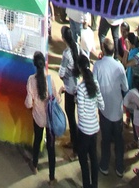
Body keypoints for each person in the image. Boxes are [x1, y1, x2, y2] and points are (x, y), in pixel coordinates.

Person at [93, 36, 126, 178]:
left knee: (105, 139)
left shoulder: (98, 66)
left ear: (103, 49)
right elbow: (125, 87)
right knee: (119, 140)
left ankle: (105, 165)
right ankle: (119, 167)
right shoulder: (119, 67)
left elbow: (94, 87)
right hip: (117, 111)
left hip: (104, 110)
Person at [25, 50, 57, 183]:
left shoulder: (31, 80)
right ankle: (52, 177)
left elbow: (28, 103)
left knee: (37, 141)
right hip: (50, 119)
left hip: (38, 118)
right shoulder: (50, 80)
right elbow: (57, 99)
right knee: (51, 147)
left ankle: (35, 165)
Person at [73, 54, 100, 188]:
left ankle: (86, 185)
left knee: (84, 161)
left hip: (84, 130)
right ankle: (94, 185)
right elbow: (102, 105)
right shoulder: (95, 84)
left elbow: (81, 114)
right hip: (94, 128)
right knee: (93, 158)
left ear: (79, 68)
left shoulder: (80, 88)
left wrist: (77, 101)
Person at [58, 24, 80, 148]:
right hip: (76, 84)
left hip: (69, 87)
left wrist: (64, 77)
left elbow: (61, 72)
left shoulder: (66, 53)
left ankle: (74, 143)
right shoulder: (76, 46)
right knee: (73, 115)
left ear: (63, 38)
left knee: (70, 115)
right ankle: (75, 140)